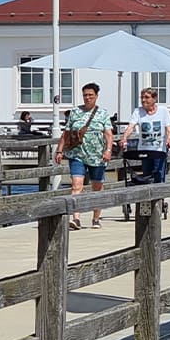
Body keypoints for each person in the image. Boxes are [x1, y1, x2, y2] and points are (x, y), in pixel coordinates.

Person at [55, 82, 113, 230]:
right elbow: (66, 133)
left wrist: (108, 150)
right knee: (76, 186)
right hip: (77, 154)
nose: (87, 98)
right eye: (85, 95)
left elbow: (108, 134)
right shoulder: (75, 112)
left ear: (96, 96)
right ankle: (76, 218)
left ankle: (96, 218)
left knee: (97, 187)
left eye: (90, 95)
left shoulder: (103, 113)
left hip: (97, 155)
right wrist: (59, 151)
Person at [119, 87, 170, 187]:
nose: (143, 100)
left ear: (154, 98)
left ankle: (159, 199)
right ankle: (148, 200)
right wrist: (125, 138)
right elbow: (131, 126)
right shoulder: (138, 111)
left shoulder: (163, 111)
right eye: (142, 97)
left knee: (159, 176)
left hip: (159, 150)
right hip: (144, 150)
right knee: (146, 177)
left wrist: (169, 139)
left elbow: (169, 128)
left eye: (147, 97)